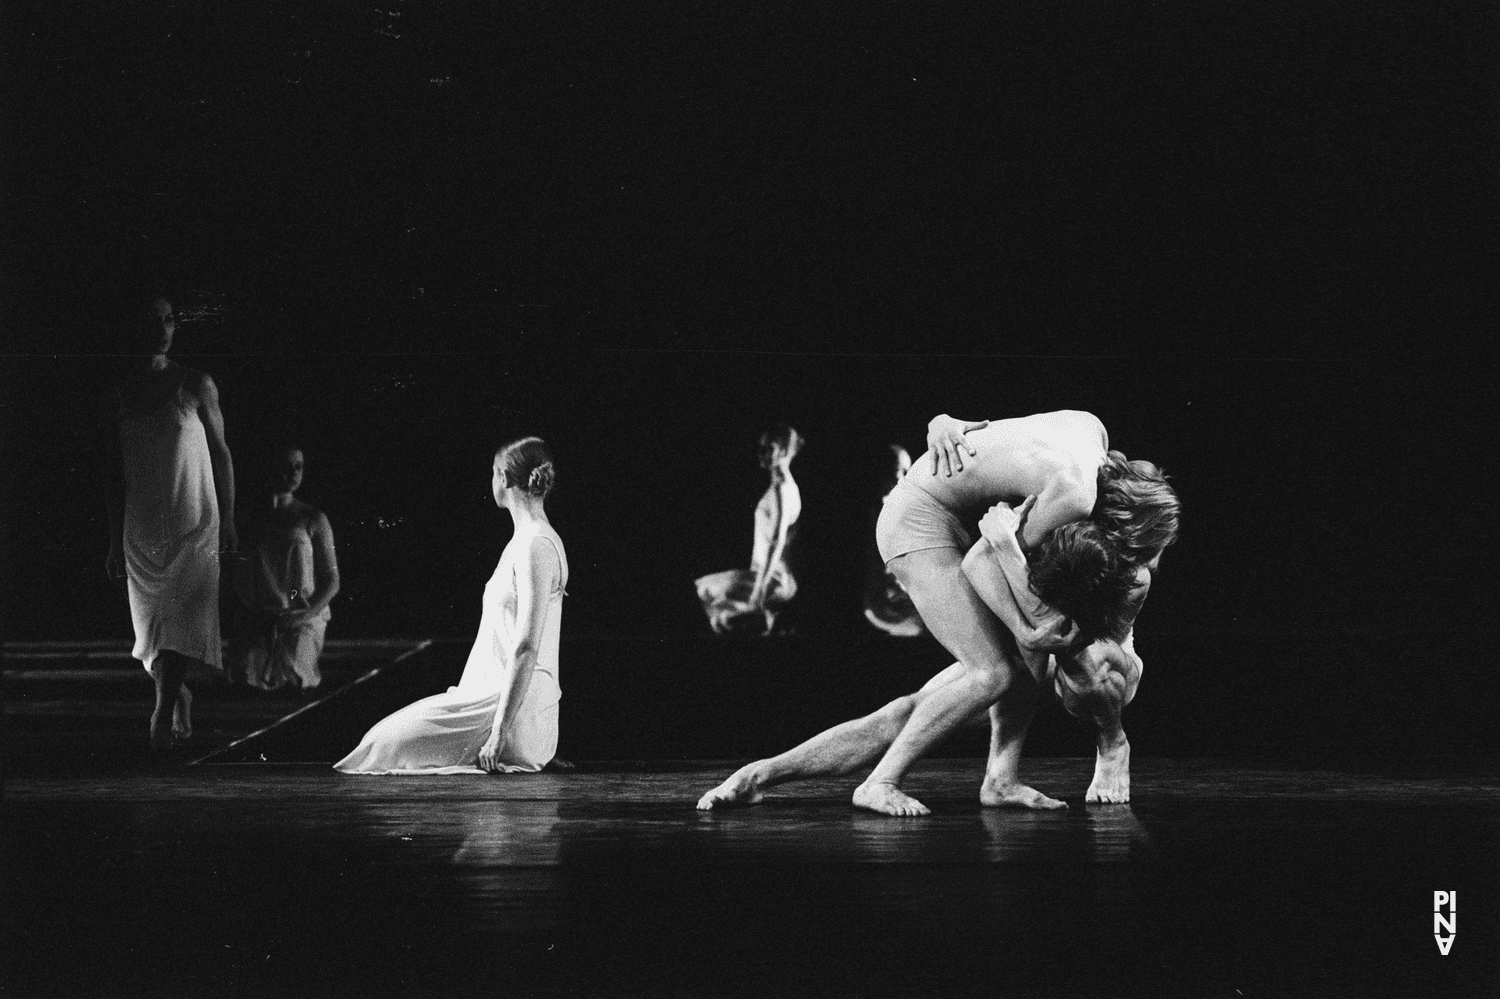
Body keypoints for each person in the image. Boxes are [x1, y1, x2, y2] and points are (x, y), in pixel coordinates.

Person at [698, 410, 1177, 814]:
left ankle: (760, 774)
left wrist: (945, 423)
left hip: (942, 517)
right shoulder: (1075, 496)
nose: (1140, 563)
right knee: (991, 674)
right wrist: (1022, 624)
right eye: (1136, 548)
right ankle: (879, 784)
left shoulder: (1093, 433)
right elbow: (981, 559)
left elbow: (997, 433)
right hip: (922, 524)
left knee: (933, 701)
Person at [335, 437, 567, 774]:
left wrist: (500, 734)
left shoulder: (536, 544)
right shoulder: (526, 542)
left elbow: (528, 646)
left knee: (380, 747)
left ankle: (516, 746)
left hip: (510, 711)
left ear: (502, 478)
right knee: (380, 744)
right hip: (501, 702)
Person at [99, 295, 237, 750]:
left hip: (195, 520)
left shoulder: (196, 383)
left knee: (179, 618)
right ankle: (176, 693)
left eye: (170, 320)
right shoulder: (118, 392)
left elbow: (220, 453)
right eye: (152, 321)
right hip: (142, 526)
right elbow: (113, 473)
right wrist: (114, 540)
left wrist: (230, 519)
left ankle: (160, 715)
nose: (163, 328)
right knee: (152, 628)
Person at [227, 445, 340, 691]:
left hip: (300, 617)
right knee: (247, 677)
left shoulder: (312, 518)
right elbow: (234, 570)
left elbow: (331, 578)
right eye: (286, 466)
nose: (293, 473)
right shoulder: (247, 518)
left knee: (292, 675)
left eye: (298, 466)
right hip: (258, 616)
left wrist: (304, 615)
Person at [694, 425, 804, 636]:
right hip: (767, 576)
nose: (762, 455)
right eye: (761, 449)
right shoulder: (785, 487)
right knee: (710, 601)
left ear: (781, 450)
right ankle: (761, 623)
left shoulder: (782, 489)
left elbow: (776, 541)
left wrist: (759, 591)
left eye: (768, 449)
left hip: (773, 579)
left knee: (706, 595)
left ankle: (763, 622)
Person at [863, 444, 924, 637]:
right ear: (886, 474)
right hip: (887, 600)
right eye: (900, 471)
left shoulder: (909, 505)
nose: (906, 476)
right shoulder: (879, 510)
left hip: (905, 594)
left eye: (908, 470)